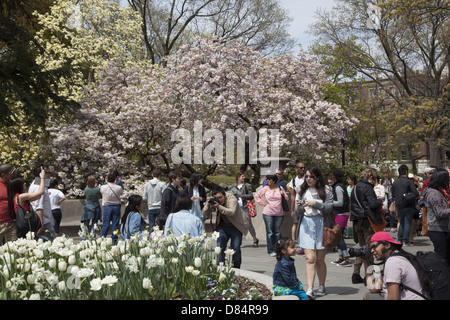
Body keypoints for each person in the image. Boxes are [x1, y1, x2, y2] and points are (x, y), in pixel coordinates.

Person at [295, 167, 333, 298]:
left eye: (311, 176)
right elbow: (298, 210)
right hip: (306, 223)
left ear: (317, 177)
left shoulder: (326, 190)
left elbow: (329, 207)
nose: (308, 179)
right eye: (306, 176)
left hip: (322, 224)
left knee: (320, 260)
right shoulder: (301, 190)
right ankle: (310, 288)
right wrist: (299, 206)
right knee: (310, 258)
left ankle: (321, 285)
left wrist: (315, 203)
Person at [364, 231, 430, 300]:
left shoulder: (393, 262)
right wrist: (366, 262)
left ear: (387, 245)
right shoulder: (396, 257)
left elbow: (393, 298)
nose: (372, 250)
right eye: (371, 248)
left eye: (374, 246)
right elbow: (374, 289)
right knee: (368, 297)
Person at [350, 168, 383, 285]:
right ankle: (368, 277)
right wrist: (380, 201)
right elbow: (373, 204)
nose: (374, 181)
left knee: (362, 248)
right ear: (371, 177)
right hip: (367, 221)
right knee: (369, 249)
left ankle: (355, 274)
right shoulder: (367, 188)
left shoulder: (355, 187)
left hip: (357, 221)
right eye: (374, 179)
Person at [203, 186, 249, 268]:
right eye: (216, 198)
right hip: (223, 226)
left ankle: (237, 268)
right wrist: (208, 205)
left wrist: (219, 207)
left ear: (224, 195)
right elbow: (204, 214)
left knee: (236, 248)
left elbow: (231, 212)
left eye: (220, 197)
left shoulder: (232, 199)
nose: (219, 200)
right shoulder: (214, 201)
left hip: (236, 226)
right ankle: (221, 266)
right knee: (220, 246)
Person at [254, 174, 289, 257]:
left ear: (274, 181)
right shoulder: (265, 188)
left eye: (270, 179)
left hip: (279, 213)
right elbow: (257, 195)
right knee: (270, 232)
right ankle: (271, 250)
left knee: (277, 232)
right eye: (267, 180)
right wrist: (263, 203)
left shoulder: (280, 188)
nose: (268, 181)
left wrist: (283, 194)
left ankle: (278, 249)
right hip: (268, 213)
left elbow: (286, 198)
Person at [423, 169, 450, 265]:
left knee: (445, 256)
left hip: (441, 228)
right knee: (441, 257)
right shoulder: (433, 194)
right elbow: (440, 212)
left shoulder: (436, 191)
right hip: (437, 229)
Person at [8, 169, 46, 238]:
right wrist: (42, 178)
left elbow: (39, 195)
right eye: (23, 183)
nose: (25, 184)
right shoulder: (21, 197)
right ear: (19, 186)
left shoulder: (18, 197)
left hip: (25, 225)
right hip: (26, 225)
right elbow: (41, 192)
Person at [229, 171, 259, 247]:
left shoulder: (247, 185)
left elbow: (251, 195)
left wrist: (242, 196)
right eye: (242, 176)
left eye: (243, 176)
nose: (244, 177)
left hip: (245, 207)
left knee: (248, 224)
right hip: (237, 207)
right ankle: (238, 241)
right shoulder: (234, 186)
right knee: (237, 225)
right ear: (238, 177)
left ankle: (255, 238)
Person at [392, 164, 418, 246]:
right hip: (408, 204)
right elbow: (415, 193)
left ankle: (400, 239)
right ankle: (406, 240)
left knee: (401, 222)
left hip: (399, 204)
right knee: (407, 222)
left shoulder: (395, 183)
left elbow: (393, 195)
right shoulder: (409, 182)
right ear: (406, 172)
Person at [29, 165, 57, 239]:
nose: (49, 175)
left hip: (46, 219)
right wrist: (40, 223)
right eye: (47, 173)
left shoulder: (40, 185)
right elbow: (38, 206)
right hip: (43, 222)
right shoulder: (38, 186)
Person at [330, 169, 351, 267]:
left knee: (339, 236)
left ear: (334, 176)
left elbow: (340, 202)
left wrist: (329, 203)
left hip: (341, 214)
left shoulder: (338, 187)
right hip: (339, 214)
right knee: (337, 236)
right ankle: (341, 257)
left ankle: (346, 257)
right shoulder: (339, 186)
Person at [100, 172, 123, 243]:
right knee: (115, 224)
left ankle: (102, 238)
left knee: (105, 224)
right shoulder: (119, 188)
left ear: (107, 179)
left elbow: (101, 193)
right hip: (116, 206)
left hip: (107, 207)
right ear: (115, 179)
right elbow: (121, 193)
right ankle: (114, 240)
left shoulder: (103, 187)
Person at [287, 162, 305, 246]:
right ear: (296, 169)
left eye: (304, 167)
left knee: (304, 223)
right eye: (301, 168)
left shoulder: (307, 178)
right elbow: (292, 195)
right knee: (295, 222)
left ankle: (303, 241)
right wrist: (291, 210)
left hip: (305, 203)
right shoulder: (294, 180)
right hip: (296, 204)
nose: (303, 169)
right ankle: (293, 241)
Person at [0, 164, 17, 244]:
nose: (15, 174)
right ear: (3, 175)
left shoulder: (13, 185)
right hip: (0, 223)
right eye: (12, 172)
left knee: (13, 249)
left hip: (12, 223)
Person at [81, 176, 102, 240]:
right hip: (95, 206)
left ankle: (84, 236)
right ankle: (92, 235)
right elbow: (101, 195)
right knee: (94, 223)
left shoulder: (86, 189)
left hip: (88, 207)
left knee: (86, 223)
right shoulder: (97, 189)